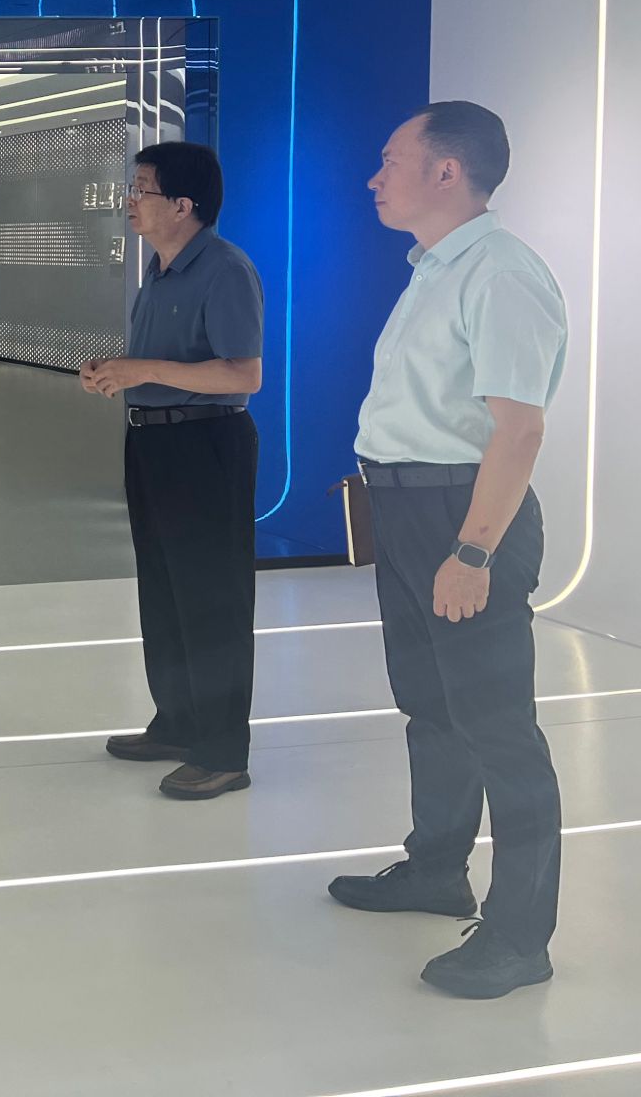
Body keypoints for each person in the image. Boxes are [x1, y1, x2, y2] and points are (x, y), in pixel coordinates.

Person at [327, 102, 567, 1000]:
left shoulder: (500, 273)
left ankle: (520, 937)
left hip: (463, 518)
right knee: (430, 705)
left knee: (498, 727)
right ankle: (435, 868)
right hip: (407, 511)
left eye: (390, 160)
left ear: (446, 171)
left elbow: (519, 429)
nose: (374, 177)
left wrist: (472, 552)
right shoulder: (436, 269)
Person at [81, 143, 265, 801]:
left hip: (206, 446)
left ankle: (222, 751)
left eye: (143, 189)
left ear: (183, 205)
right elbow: (162, 365)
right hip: (151, 443)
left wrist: (147, 370)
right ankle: (178, 723)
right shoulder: (157, 273)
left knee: (212, 601)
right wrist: (117, 373)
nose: (130, 200)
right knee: (164, 593)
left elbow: (244, 374)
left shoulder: (225, 270)